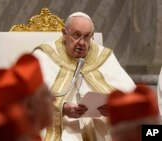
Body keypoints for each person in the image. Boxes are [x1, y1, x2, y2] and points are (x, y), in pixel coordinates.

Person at [32, 12, 136, 141]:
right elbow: (29, 97)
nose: (81, 42)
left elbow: (131, 94)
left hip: (99, 125)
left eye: (87, 37)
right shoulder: (44, 55)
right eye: (76, 35)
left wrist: (114, 107)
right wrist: (62, 108)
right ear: (64, 33)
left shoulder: (102, 56)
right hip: (61, 125)